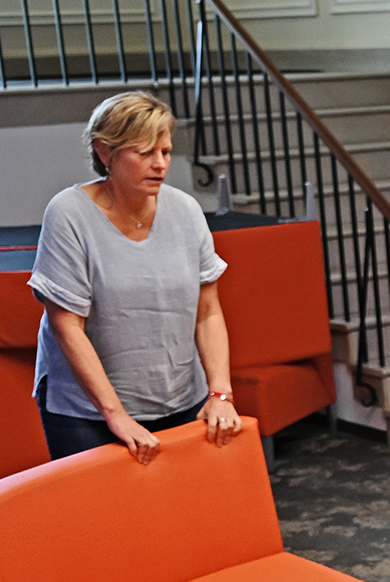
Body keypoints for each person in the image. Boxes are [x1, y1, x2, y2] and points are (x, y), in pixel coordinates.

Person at [30, 92, 243, 464]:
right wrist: (117, 416)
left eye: (164, 151)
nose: (160, 164)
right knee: (104, 519)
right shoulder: (68, 214)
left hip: (179, 396)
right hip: (87, 412)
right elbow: (67, 326)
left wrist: (219, 394)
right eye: (145, 153)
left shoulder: (185, 209)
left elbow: (207, 311)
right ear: (105, 152)